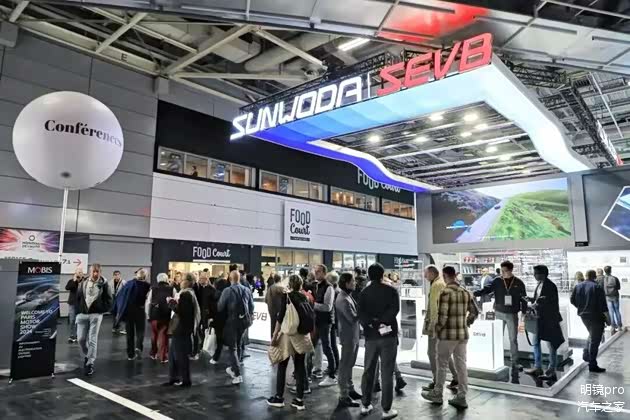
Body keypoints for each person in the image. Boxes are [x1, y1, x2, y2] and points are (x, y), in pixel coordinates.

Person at [421, 266, 479, 409]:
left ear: (445, 276)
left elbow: (442, 316)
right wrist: (466, 322)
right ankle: (461, 396)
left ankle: (437, 393)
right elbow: (475, 312)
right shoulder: (465, 292)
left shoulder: (445, 292)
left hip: (447, 335)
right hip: (462, 334)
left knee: (441, 365)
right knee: (461, 366)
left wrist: (436, 329)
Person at [267, 275, 315, 412]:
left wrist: (275, 335)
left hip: (289, 335)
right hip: (302, 335)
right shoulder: (304, 297)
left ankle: (279, 398)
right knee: (300, 366)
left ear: (290, 284)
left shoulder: (287, 297)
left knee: (282, 364)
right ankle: (299, 400)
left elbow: (281, 317)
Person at [474, 260, 527, 383]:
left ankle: (515, 362)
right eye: (501, 271)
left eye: (504, 271)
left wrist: (523, 315)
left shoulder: (518, 283)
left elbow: (524, 300)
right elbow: (487, 289)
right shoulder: (497, 281)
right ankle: (498, 360)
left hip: (512, 314)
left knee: (513, 339)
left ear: (510, 270)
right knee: (497, 338)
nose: (502, 273)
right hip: (498, 312)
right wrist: (475, 293)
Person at [358, 263, 400, 419]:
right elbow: (395, 310)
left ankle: (365, 404)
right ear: (383, 275)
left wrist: (372, 323)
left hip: (371, 336)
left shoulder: (364, 292)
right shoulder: (391, 291)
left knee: (368, 370)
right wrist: (382, 321)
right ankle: (386, 409)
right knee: (387, 372)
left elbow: (360, 313)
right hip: (388, 335)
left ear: (369, 275)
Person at [523, 265, 565, 382]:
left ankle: (551, 370)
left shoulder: (550, 286)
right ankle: (538, 367)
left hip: (549, 320)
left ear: (543, 274)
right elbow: (539, 299)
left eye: (536, 273)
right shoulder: (540, 284)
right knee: (536, 342)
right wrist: (531, 300)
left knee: (551, 345)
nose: (534, 275)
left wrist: (536, 304)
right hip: (539, 319)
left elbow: (549, 302)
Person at [422, 265, 458, 392]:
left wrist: (434, 326)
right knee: (445, 353)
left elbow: (435, 307)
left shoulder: (437, 285)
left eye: (426, 273)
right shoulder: (440, 283)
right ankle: (456, 377)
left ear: (432, 273)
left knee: (432, 353)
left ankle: (436, 381)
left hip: (437, 325)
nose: (424, 276)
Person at [218, 270, 254, 385]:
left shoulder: (227, 291)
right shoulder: (247, 290)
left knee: (232, 348)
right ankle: (234, 368)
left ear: (230, 279)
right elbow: (251, 307)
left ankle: (237, 374)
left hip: (232, 321)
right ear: (239, 278)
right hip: (244, 322)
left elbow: (220, 307)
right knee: (238, 345)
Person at [76, 264, 112, 376]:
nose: (95, 274)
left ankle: (90, 362)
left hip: (96, 315)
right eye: (93, 271)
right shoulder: (83, 282)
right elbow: (78, 296)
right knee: (81, 339)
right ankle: (88, 356)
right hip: (82, 314)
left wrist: (101, 310)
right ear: (90, 271)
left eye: (97, 271)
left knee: (92, 339)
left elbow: (109, 300)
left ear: (100, 272)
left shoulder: (104, 284)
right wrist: (79, 310)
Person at [165, 273, 200, 387]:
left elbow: (183, 312)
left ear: (188, 282)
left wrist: (171, 303)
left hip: (181, 329)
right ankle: (174, 378)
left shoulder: (186, 295)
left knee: (180, 356)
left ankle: (185, 380)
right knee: (173, 355)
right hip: (181, 328)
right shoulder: (188, 294)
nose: (180, 282)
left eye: (183, 280)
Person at [571, 270, 610, 373]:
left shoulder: (578, 286)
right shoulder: (597, 287)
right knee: (595, 340)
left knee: (592, 335)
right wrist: (608, 320)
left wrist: (581, 308)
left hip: (584, 316)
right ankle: (592, 364)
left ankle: (586, 354)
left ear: (586, 276)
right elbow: (603, 306)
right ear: (594, 277)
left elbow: (572, 300)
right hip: (596, 317)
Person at [335, 272, 363, 408]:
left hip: (352, 335)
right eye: (352, 281)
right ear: (346, 283)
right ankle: (343, 395)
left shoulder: (347, 296)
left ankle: (350, 389)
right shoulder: (343, 299)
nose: (355, 283)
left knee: (349, 364)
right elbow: (352, 318)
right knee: (345, 365)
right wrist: (363, 310)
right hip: (348, 336)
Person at [116, 269, 152, 360]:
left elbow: (121, 295)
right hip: (140, 310)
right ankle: (138, 347)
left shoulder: (129, 283)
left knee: (129, 333)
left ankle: (130, 355)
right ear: (145, 276)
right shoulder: (147, 285)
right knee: (140, 331)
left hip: (129, 311)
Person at [313, 264, 337, 387]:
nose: (316, 273)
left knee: (327, 347)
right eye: (315, 271)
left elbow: (328, 307)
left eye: (318, 271)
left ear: (324, 273)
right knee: (312, 346)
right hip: (317, 321)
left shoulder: (329, 288)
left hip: (325, 322)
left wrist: (312, 304)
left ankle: (332, 375)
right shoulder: (317, 286)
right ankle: (310, 373)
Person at [146, 273, 174, 363]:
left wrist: (148, 315)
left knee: (154, 335)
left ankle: (153, 353)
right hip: (166, 316)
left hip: (154, 315)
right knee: (164, 336)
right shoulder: (172, 289)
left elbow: (148, 303)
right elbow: (175, 302)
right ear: (166, 279)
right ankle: (163, 357)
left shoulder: (153, 289)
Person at [192, 271, 216, 360]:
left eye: (203, 278)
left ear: (207, 279)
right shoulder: (196, 288)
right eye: (200, 278)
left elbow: (213, 304)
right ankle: (198, 349)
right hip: (198, 313)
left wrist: (211, 316)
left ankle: (203, 347)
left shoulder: (211, 289)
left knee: (205, 330)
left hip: (206, 314)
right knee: (197, 330)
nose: (201, 280)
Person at [210, 275, 230, 365]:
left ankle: (216, 357)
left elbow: (213, 309)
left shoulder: (215, 295)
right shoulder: (228, 295)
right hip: (226, 320)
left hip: (217, 320)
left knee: (219, 340)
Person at [327, 271, 341, 380]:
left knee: (332, 344)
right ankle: (335, 365)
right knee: (333, 344)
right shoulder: (338, 291)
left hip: (333, 321)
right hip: (335, 320)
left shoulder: (334, 291)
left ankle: (335, 366)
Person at [65, 268, 84, 343]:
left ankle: (78, 335)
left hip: (81, 304)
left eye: (80, 272)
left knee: (79, 320)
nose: (79, 274)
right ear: (75, 273)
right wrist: (74, 280)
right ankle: (72, 335)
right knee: (72, 320)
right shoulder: (71, 281)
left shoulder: (85, 281)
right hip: (72, 303)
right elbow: (67, 288)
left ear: (82, 274)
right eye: (78, 272)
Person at [603, 266, 623, 333]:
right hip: (615, 296)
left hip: (608, 297)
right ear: (610, 270)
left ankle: (613, 327)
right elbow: (619, 288)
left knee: (611, 312)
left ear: (605, 271)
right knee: (617, 311)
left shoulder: (603, 279)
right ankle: (619, 326)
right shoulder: (615, 278)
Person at [266, 274, 285, 338]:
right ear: (280, 279)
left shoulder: (270, 288)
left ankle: (272, 340)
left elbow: (266, 300)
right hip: (279, 310)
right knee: (279, 327)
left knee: (273, 326)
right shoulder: (281, 287)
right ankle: (278, 341)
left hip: (271, 310)